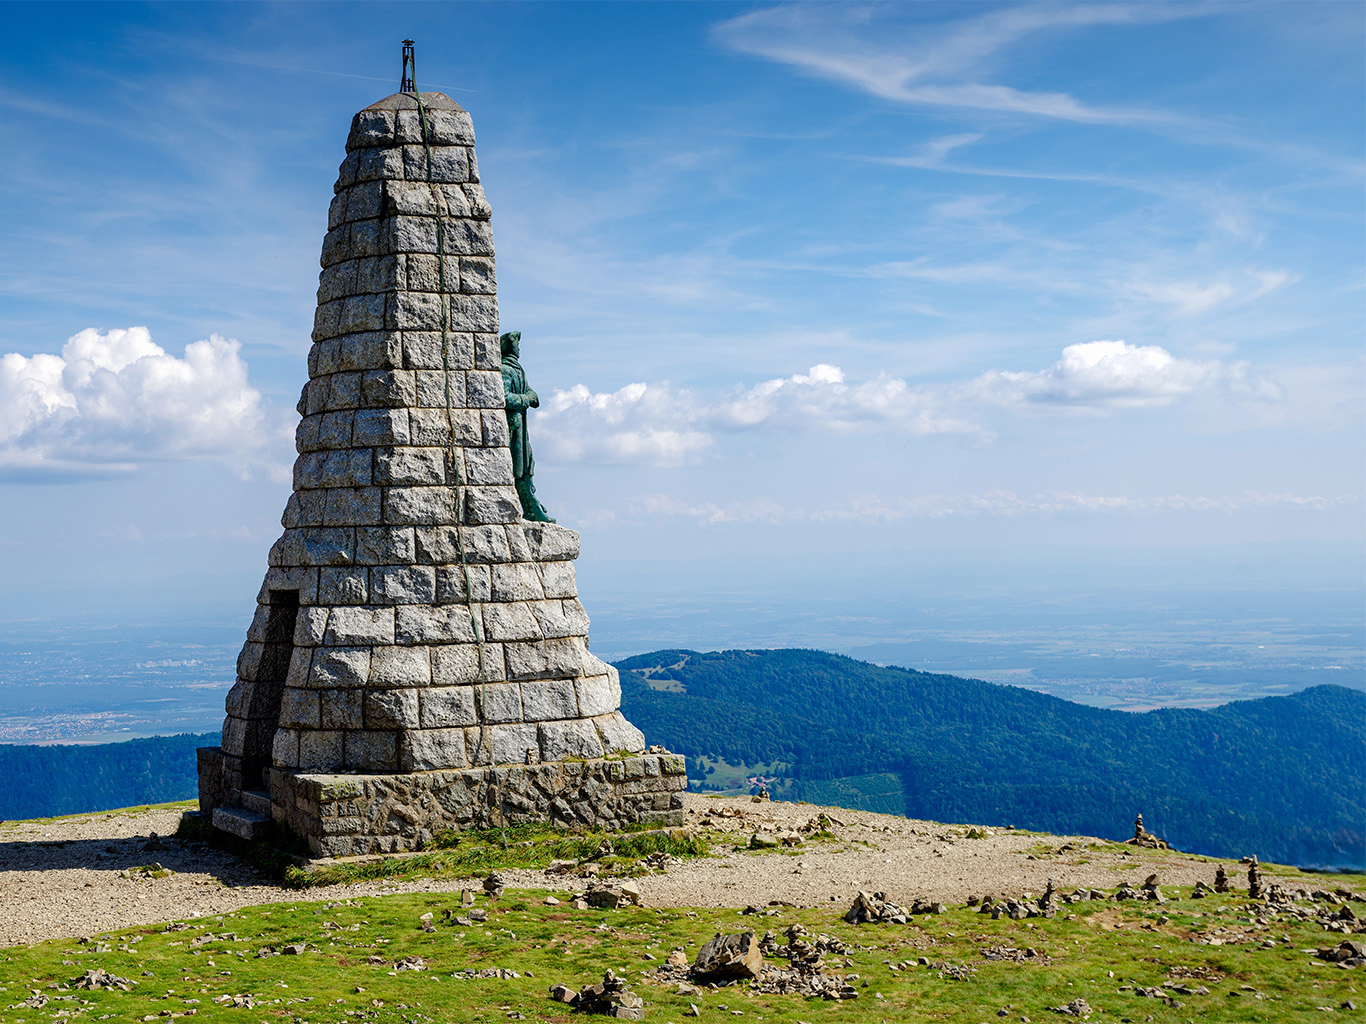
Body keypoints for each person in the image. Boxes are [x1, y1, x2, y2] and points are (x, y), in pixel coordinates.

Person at [499, 330, 554, 522]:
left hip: (522, 428)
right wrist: (526, 399)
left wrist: (531, 396)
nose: (519, 347)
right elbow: (505, 397)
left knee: (527, 462)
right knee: (517, 466)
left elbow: (531, 393)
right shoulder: (505, 370)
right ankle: (529, 505)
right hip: (513, 426)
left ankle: (531, 502)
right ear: (509, 346)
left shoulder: (518, 369)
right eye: (517, 344)